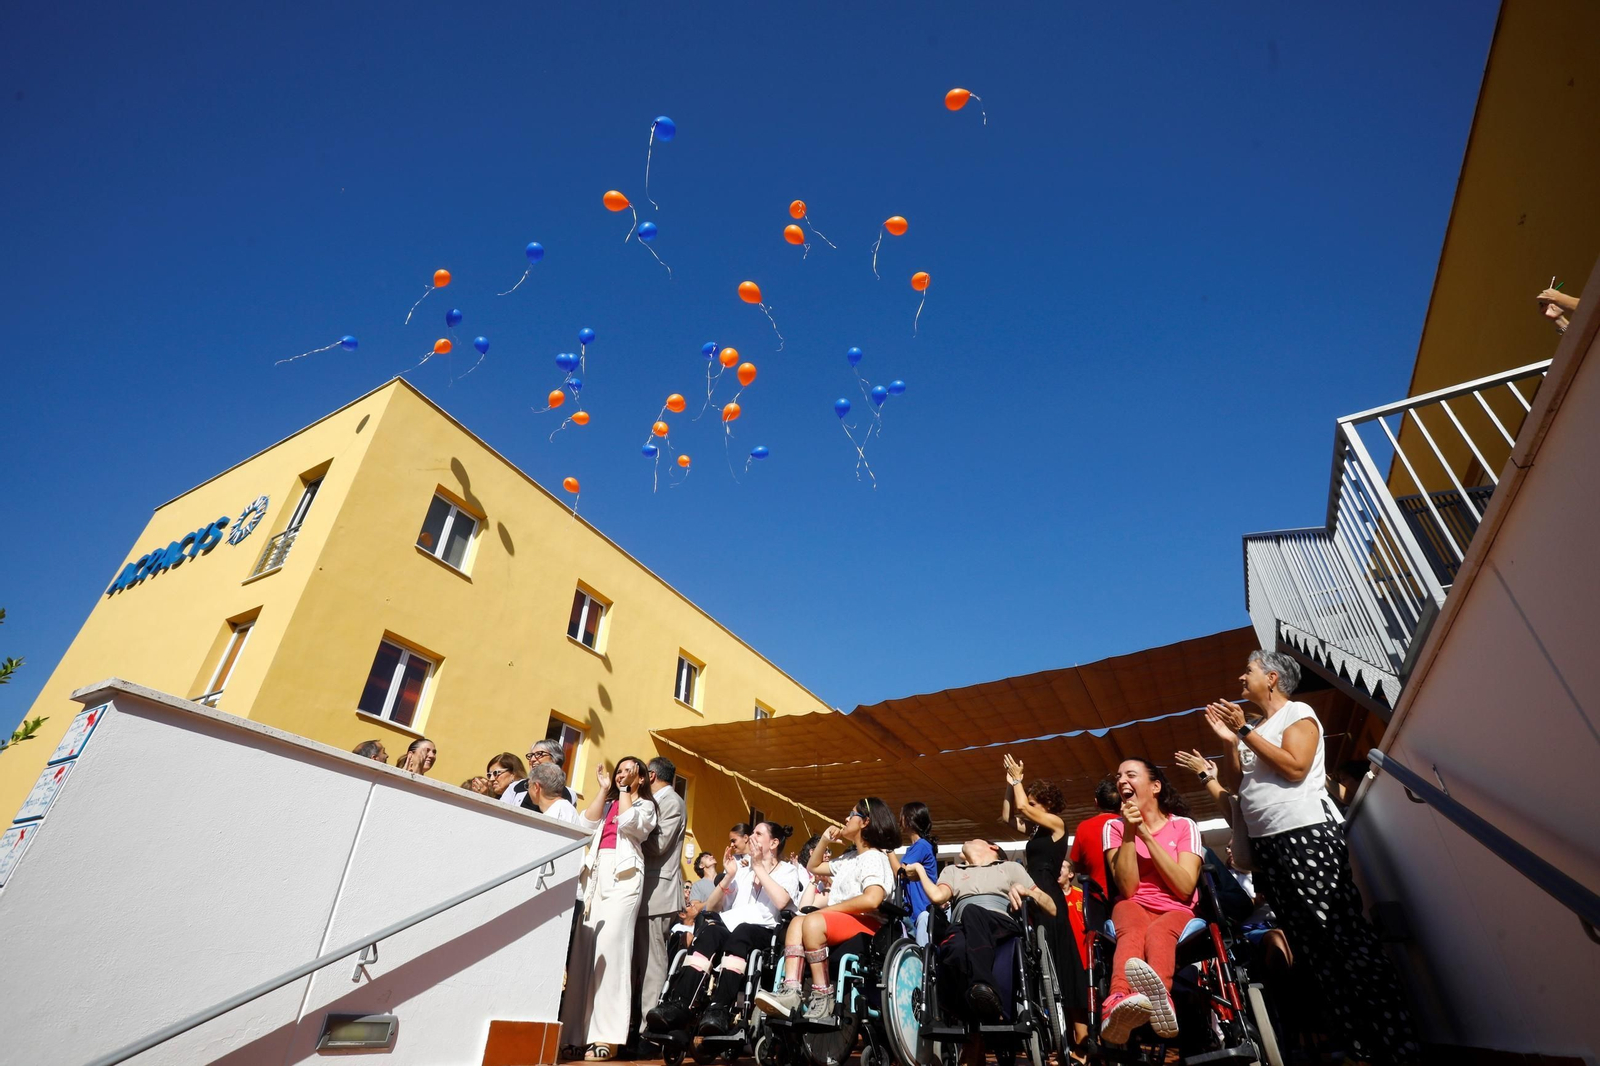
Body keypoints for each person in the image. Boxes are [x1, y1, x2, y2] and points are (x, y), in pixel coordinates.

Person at [1206, 650, 1418, 1064]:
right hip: (1271, 846)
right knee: (1315, 948)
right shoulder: (1257, 729)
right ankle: (1361, 1048)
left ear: (1271, 678)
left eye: (1247, 671)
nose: (1239, 677)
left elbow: (1296, 767)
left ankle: (1397, 1043)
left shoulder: (1298, 712)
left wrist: (1245, 730)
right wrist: (1232, 743)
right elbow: (1234, 785)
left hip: (1305, 834)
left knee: (1341, 936)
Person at [754, 797, 902, 1024]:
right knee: (796, 922)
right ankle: (791, 992)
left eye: (851, 814)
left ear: (865, 822)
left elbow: (872, 899)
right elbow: (812, 867)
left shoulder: (874, 857)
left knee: (812, 921)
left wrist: (832, 909)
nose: (845, 818)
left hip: (868, 924)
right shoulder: (849, 858)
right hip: (841, 921)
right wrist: (824, 840)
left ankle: (823, 996)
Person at [649, 821, 801, 1038]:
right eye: (752, 833)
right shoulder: (743, 870)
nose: (751, 838)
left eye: (759, 834)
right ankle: (679, 1005)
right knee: (710, 931)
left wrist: (759, 866)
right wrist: (729, 875)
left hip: (764, 931)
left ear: (774, 842)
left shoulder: (787, 871)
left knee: (742, 932)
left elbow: (780, 902)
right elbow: (711, 907)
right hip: (733, 927)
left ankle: (719, 1009)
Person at [1099, 758, 1203, 1046]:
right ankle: (1117, 999)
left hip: (1176, 909)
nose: (1121, 781)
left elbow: (1184, 888)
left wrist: (1145, 832)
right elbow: (1129, 888)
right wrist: (1131, 831)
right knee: (1131, 929)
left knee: (1158, 933)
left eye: (1130, 775)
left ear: (1155, 786)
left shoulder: (1184, 826)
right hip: (1133, 905)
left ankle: (1158, 1000)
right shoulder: (1113, 828)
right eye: (1118, 776)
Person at [562, 757, 659, 1061]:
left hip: (625, 877)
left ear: (642, 778)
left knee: (612, 949)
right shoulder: (609, 803)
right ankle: (574, 1034)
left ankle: (607, 1036)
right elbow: (585, 826)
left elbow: (632, 827)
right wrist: (605, 791)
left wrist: (627, 791)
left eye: (630, 770)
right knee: (584, 949)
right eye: (620, 770)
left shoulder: (645, 806)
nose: (622, 773)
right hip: (596, 874)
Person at [905, 839, 1056, 1025]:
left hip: (1000, 924)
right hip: (962, 927)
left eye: (974, 839)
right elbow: (937, 897)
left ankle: (984, 985)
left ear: (993, 847)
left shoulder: (1010, 868)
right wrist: (920, 870)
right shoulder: (953, 870)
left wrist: (1026, 891)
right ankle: (974, 1021)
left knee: (972, 911)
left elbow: (1052, 907)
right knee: (955, 947)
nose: (966, 840)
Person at [1000, 754, 1074, 1043]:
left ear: (1048, 805)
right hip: (1032, 889)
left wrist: (1019, 781)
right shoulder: (1036, 831)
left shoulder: (1056, 823)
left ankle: (1065, 1031)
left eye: (1033, 803)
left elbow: (1019, 807)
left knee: (1054, 954)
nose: (1027, 808)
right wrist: (1009, 784)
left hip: (1047, 890)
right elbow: (1008, 817)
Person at [633, 757, 687, 1047]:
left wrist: (627, 833)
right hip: (646, 891)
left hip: (659, 892)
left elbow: (658, 844)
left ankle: (647, 1031)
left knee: (653, 963)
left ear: (651, 775)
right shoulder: (657, 801)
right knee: (637, 962)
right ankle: (634, 1025)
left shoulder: (672, 802)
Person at [897, 801, 939, 942]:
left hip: (922, 911)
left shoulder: (920, 846)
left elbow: (899, 872)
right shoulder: (919, 846)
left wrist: (888, 850)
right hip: (917, 910)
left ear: (909, 819)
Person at [528, 738, 580, 805]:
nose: (532, 759)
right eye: (531, 755)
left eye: (539, 754)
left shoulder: (569, 795)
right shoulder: (517, 787)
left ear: (555, 759)